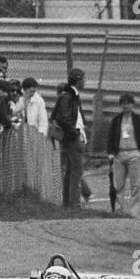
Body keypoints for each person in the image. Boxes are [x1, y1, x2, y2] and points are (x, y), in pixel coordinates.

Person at [104, 92, 140, 216]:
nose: (126, 106)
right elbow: (110, 137)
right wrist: (110, 152)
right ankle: (119, 210)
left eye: (128, 103)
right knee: (118, 184)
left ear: (132, 104)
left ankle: (135, 210)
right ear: (120, 105)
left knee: (136, 184)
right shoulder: (116, 120)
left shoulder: (139, 119)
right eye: (123, 104)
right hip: (119, 155)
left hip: (135, 153)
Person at [51, 67, 88, 207]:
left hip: (71, 137)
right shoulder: (68, 97)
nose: (85, 82)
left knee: (70, 171)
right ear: (77, 80)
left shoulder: (71, 96)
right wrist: (74, 133)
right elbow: (63, 118)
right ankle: (74, 203)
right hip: (72, 138)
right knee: (76, 172)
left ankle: (67, 202)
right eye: (83, 79)